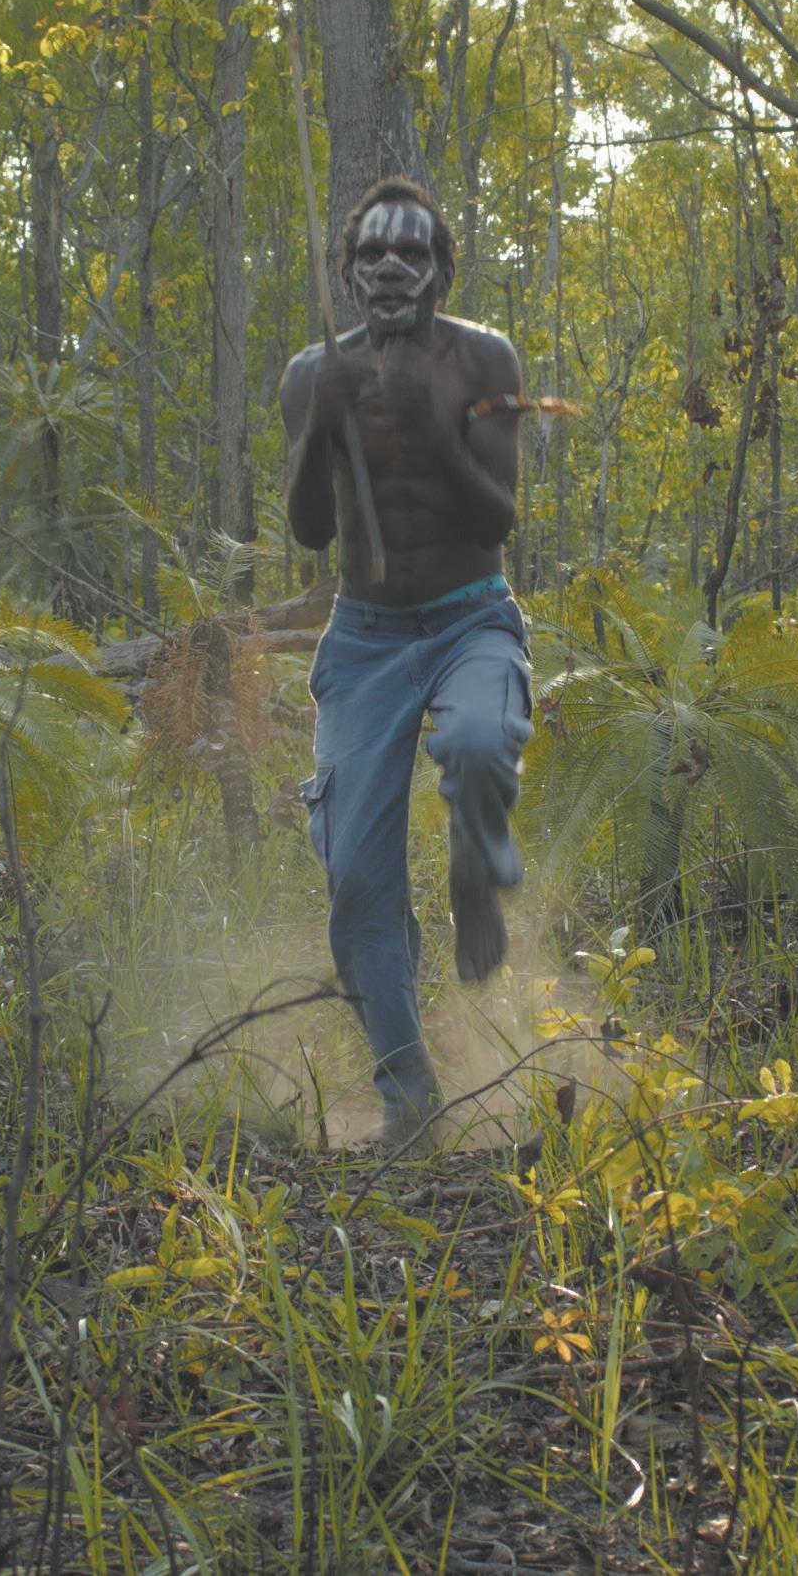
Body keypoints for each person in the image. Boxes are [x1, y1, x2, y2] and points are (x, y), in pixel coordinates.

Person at [279, 176, 533, 1146]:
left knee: (477, 740)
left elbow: (498, 517)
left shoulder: (483, 359)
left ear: (440, 270)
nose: (390, 266)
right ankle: (409, 1096)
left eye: (411, 251)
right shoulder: (314, 372)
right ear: (348, 272)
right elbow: (309, 530)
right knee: (356, 880)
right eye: (371, 253)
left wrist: (427, 419)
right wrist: (320, 425)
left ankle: (476, 873)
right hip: (366, 638)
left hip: (471, 618)